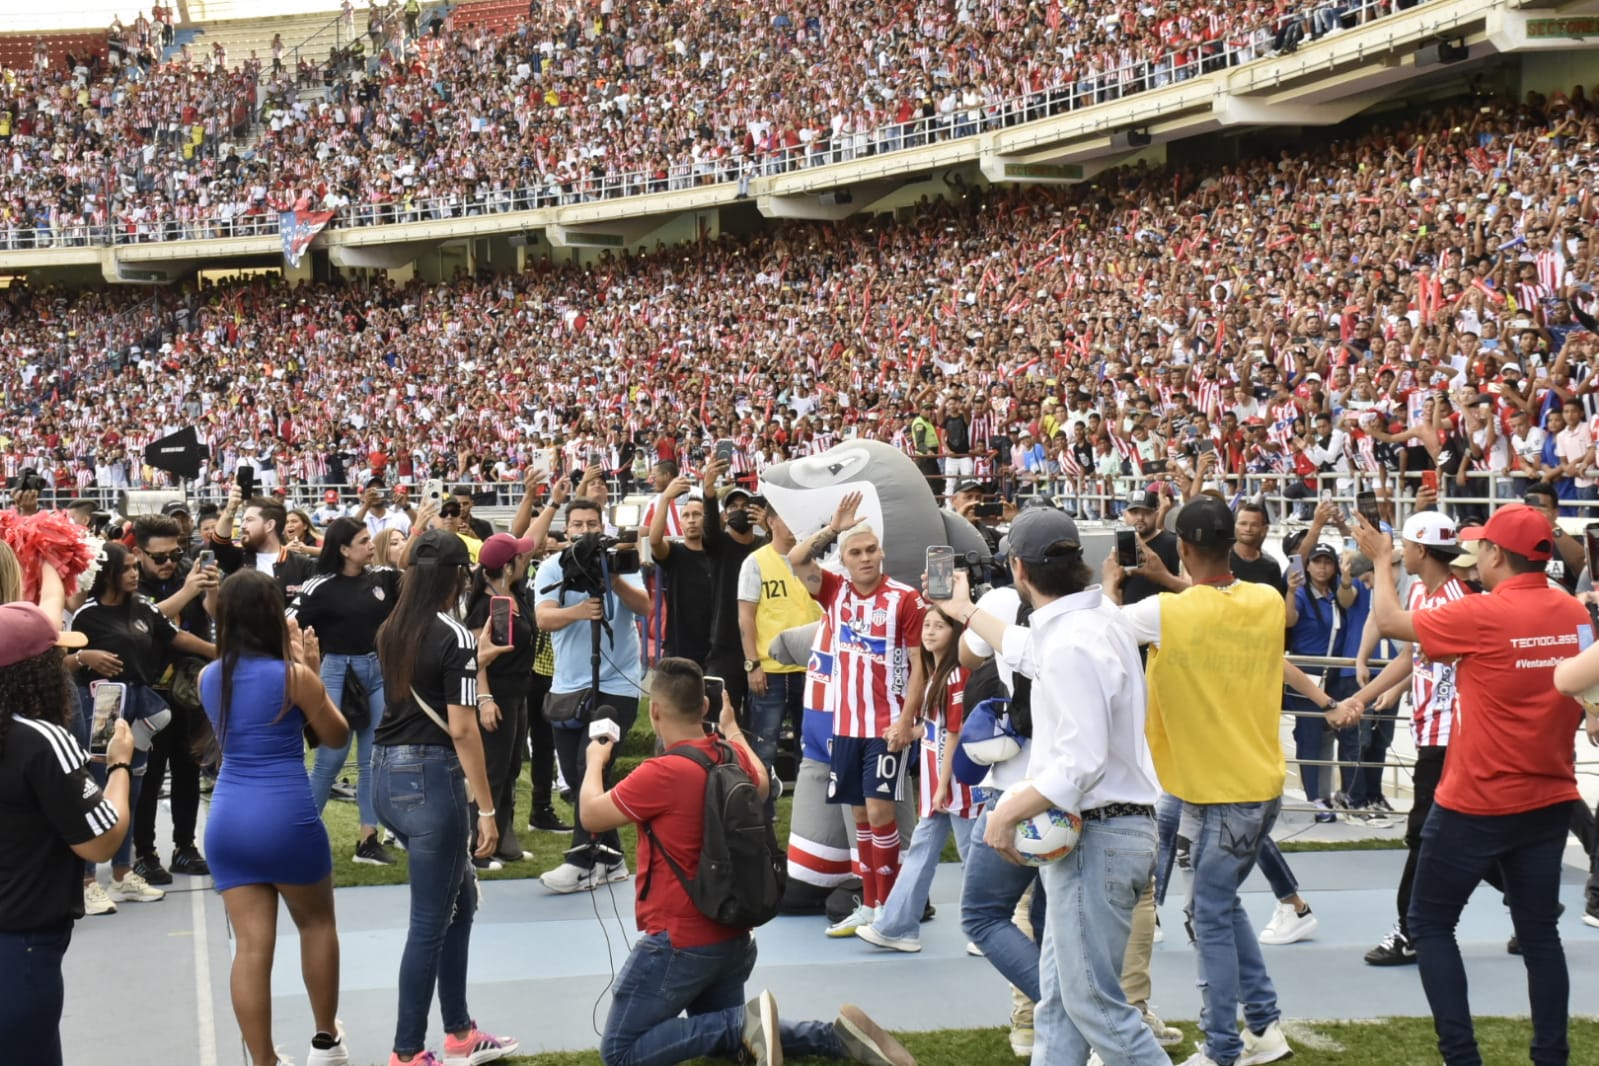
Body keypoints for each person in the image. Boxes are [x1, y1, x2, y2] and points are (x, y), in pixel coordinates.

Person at [578, 656, 918, 1066]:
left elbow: (591, 815)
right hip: (733, 936)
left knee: (620, 1052)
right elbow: (760, 782)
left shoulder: (661, 772)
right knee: (731, 1048)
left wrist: (594, 763)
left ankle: (740, 1025)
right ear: (704, 708)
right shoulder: (730, 756)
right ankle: (832, 1037)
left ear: (654, 711)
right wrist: (733, 729)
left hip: (679, 943)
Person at [1354, 505, 1589, 1066]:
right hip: (1550, 796)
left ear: (1497, 555)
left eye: (1480, 546)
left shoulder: (1485, 612)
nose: (1473, 554)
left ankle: (1462, 1057)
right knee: (1539, 938)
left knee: (1429, 924)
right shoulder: (1575, 611)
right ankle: (1549, 1056)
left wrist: (1383, 563)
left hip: (1475, 802)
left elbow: (1389, 623)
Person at [947, 507, 1169, 1064]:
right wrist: (968, 612)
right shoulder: (1097, 620)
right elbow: (1029, 650)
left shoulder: (1071, 639)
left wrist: (1006, 812)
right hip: (1111, 831)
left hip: (1098, 834)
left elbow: (1079, 762)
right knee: (1061, 1010)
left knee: (1095, 1006)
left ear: (1018, 570)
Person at [1100, 496, 1314, 1066]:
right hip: (1253, 783)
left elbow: (1102, 629)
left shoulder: (1165, 614)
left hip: (1214, 792)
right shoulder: (1265, 599)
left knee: (1209, 917)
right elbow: (1210, 598)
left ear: (1184, 548)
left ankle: (1222, 1048)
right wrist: (1169, 578)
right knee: (1218, 909)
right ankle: (1263, 1028)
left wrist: (1112, 582)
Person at [372, 529, 519, 1066]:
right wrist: (487, 808)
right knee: (432, 922)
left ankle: (458, 1031)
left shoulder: (392, 628)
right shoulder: (452, 634)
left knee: (459, 905)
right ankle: (408, 1051)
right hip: (431, 779)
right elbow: (462, 729)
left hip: (388, 773)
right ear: (460, 576)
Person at [201, 570, 353, 1066]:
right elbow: (335, 736)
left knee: (249, 947)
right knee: (315, 925)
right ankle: (325, 1039)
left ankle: (264, 1059)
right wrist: (313, 670)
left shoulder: (209, 676)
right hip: (284, 814)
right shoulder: (293, 677)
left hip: (228, 817)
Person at [1345, 510, 1483, 966]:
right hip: (1434, 733)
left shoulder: (1453, 601)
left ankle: (1409, 930)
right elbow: (1411, 652)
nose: (1401, 552)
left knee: (1423, 836)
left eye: (1405, 547)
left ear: (1421, 551)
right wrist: (1363, 698)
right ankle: (1529, 907)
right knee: (1460, 836)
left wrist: (1381, 562)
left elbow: (1387, 624)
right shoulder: (1426, 591)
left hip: (1449, 737)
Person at [788, 492, 928, 937]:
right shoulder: (835, 593)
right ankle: (870, 906)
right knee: (862, 820)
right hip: (844, 729)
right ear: (844, 561)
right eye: (856, 552)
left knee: (880, 813)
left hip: (885, 730)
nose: (865, 558)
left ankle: (892, 914)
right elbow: (796, 558)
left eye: (871, 550)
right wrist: (833, 528)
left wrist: (906, 721)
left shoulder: (905, 599)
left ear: (881, 552)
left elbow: (918, 666)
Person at [0, 602, 130, 1066]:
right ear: (33, 672)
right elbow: (101, 840)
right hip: (23, 942)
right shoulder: (41, 740)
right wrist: (118, 766)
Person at [68, 541, 214, 914]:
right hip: (101, 704)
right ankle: (86, 881)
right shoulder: (88, 615)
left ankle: (121, 874)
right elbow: (61, 661)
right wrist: (84, 656)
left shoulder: (144, 608)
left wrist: (220, 652)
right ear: (110, 574)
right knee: (97, 788)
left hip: (136, 699)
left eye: (136, 566)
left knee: (131, 786)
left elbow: (176, 637)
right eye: (128, 568)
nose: (135, 573)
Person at [534, 498, 651, 893]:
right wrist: (580, 611)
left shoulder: (621, 560)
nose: (584, 531)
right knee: (574, 776)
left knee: (592, 769)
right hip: (567, 686)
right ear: (566, 530)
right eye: (578, 525)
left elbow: (644, 607)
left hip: (616, 687)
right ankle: (612, 858)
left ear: (603, 527)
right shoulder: (553, 566)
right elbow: (543, 618)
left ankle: (582, 858)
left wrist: (613, 577)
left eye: (591, 524)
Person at [856, 606, 979, 953]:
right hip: (937, 786)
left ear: (955, 634)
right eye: (926, 625)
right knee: (923, 852)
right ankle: (898, 926)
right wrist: (910, 733)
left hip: (956, 784)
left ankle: (985, 928)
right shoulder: (933, 673)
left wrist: (942, 785)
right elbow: (937, 727)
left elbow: (954, 733)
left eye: (939, 626)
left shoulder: (956, 676)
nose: (929, 631)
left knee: (974, 856)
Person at [287, 517, 402, 866]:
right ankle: (300, 836)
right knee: (331, 758)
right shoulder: (319, 585)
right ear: (343, 549)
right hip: (336, 670)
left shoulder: (382, 578)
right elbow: (286, 621)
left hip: (377, 671)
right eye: (364, 540)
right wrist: (303, 661)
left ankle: (368, 840)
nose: (371, 545)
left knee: (373, 758)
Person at [129, 513, 218, 885]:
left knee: (188, 770)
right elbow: (147, 622)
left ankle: (185, 846)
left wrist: (210, 589)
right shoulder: (126, 577)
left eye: (174, 554)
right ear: (139, 553)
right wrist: (189, 592)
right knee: (147, 778)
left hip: (189, 689)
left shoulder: (188, 569)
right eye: (159, 557)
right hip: (148, 692)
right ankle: (144, 853)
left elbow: (209, 613)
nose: (168, 563)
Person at [462, 532, 543, 867]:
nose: (526, 559)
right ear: (508, 566)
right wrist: (485, 699)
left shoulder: (513, 593)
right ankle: (478, 844)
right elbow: (478, 655)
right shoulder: (487, 605)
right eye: (520, 557)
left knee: (510, 768)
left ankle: (503, 837)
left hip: (517, 692)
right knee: (491, 770)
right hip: (497, 693)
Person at [737, 504, 821, 801]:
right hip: (770, 671)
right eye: (786, 518)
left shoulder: (815, 561)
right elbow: (745, 616)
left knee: (812, 748)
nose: (793, 526)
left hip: (813, 669)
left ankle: (809, 814)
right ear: (770, 522)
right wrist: (753, 664)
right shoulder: (756, 562)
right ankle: (761, 820)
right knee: (764, 749)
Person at [647, 474, 715, 663]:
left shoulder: (718, 555)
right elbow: (654, 540)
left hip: (716, 648)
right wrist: (665, 498)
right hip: (681, 646)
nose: (691, 520)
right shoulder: (674, 553)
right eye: (686, 515)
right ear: (680, 523)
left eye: (697, 515)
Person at [208, 489, 318, 601]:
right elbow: (218, 546)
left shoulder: (304, 566)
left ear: (269, 525)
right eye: (243, 520)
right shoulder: (239, 559)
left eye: (249, 520)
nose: (242, 526)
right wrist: (230, 510)